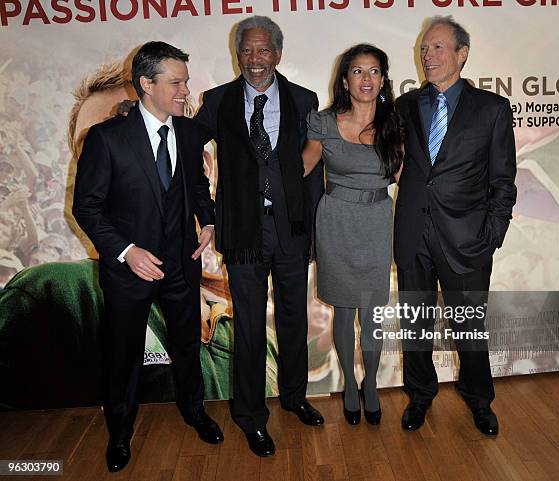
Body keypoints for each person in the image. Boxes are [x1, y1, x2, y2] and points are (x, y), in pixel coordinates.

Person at [72, 41, 223, 473]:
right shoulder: (106, 138)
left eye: (186, 82)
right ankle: (120, 434)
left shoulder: (192, 132)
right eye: (176, 83)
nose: (185, 91)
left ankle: (194, 411)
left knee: (188, 346)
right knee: (122, 355)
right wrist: (126, 250)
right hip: (128, 272)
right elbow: (87, 207)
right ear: (146, 84)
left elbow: (196, 187)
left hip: (180, 266)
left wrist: (207, 222)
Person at [194, 15, 325, 457]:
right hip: (243, 232)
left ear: (278, 54)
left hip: (289, 229)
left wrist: (310, 229)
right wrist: (208, 214)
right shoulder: (216, 102)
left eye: (263, 50)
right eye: (246, 50)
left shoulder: (304, 99)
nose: (254, 59)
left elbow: (313, 171)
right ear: (238, 55)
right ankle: (251, 417)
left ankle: (294, 397)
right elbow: (188, 156)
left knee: (293, 320)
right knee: (248, 326)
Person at [394, 16, 517, 436]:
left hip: (467, 240)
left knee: (468, 326)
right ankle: (420, 395)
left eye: (438, 47)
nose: (428, 55)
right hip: (413, 236)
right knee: (415, 322)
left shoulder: (492, 109)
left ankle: (479, 399)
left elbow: (503, 181)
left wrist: (491, 237)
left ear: (462, 55)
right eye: (424, 48)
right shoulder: (405, 105)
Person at [302, 44, 403, 426]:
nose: (366, 79)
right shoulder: (324, 122)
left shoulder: (395, 123)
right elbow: (304, 167)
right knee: (344, 309)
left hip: (377, 220)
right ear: (345, 79)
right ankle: (348, 383)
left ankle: (372, 384)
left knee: (372, 311)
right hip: (336, 221)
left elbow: (405, 179)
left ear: (383, 79)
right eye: (357, 71)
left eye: (374, 71)